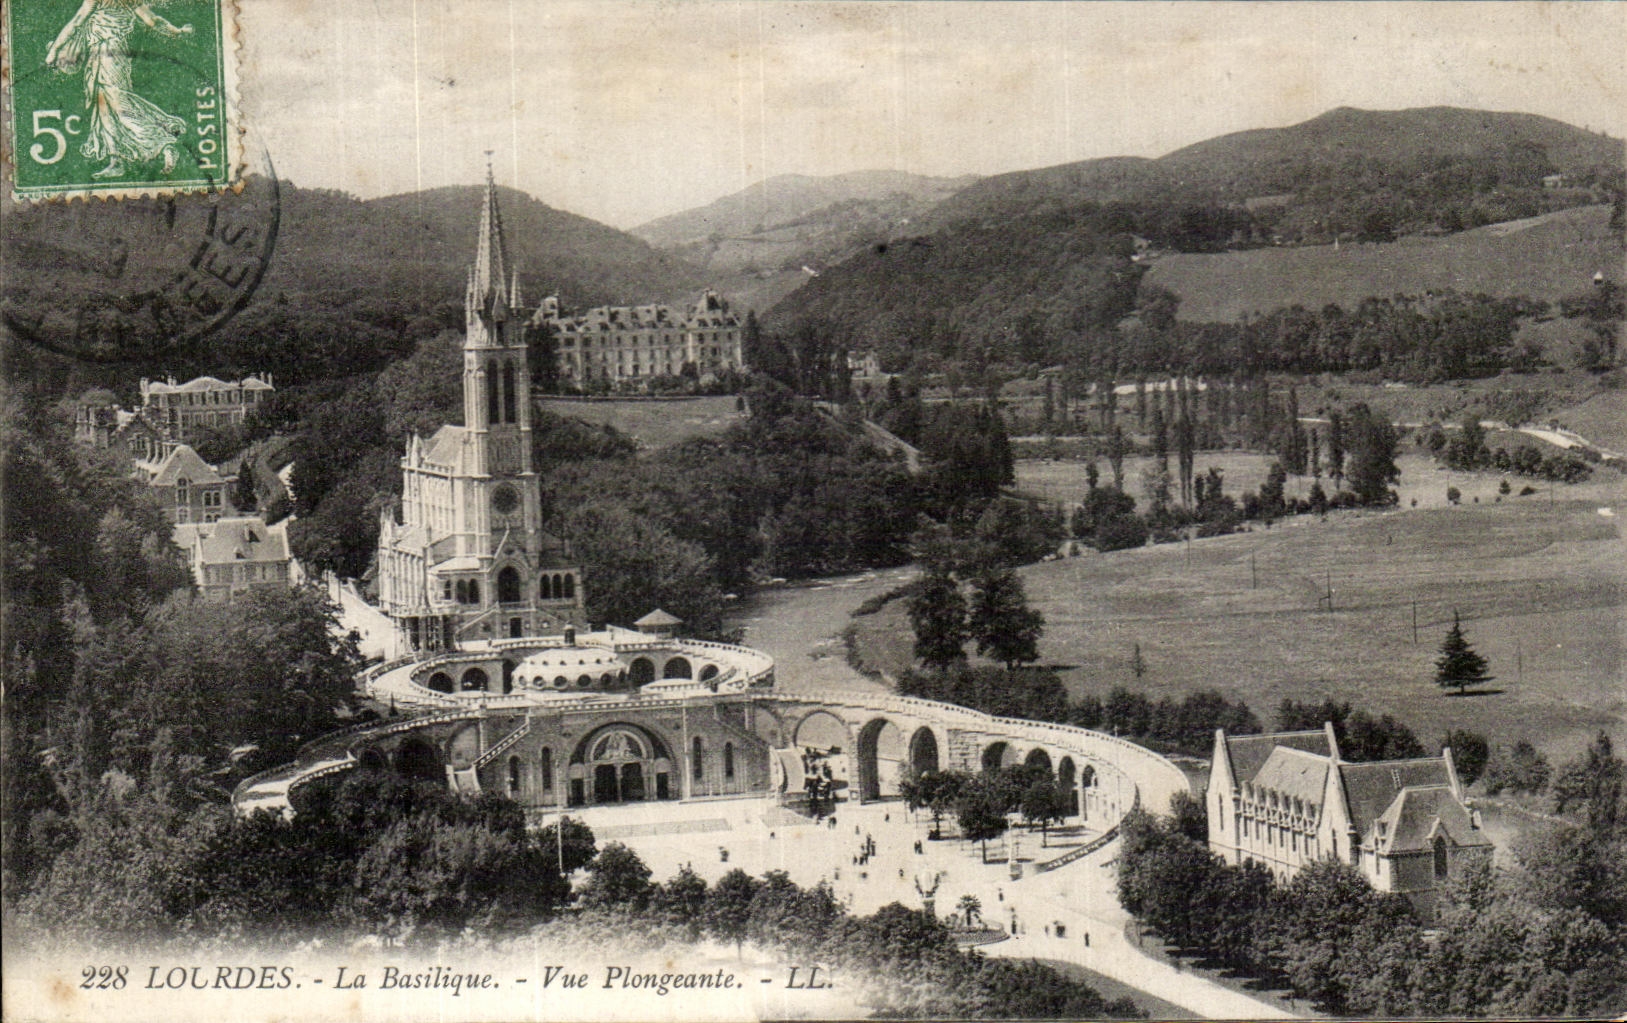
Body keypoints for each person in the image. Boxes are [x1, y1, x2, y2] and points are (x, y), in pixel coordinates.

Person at [46, 0, 194, 179]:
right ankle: (117, 162)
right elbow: (153, 21)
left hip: (106, 54)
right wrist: (177, 31)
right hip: (112, 54)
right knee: (105, 107)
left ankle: (162, 143)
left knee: (117, 105)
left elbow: (77, 21)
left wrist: (54, 50)